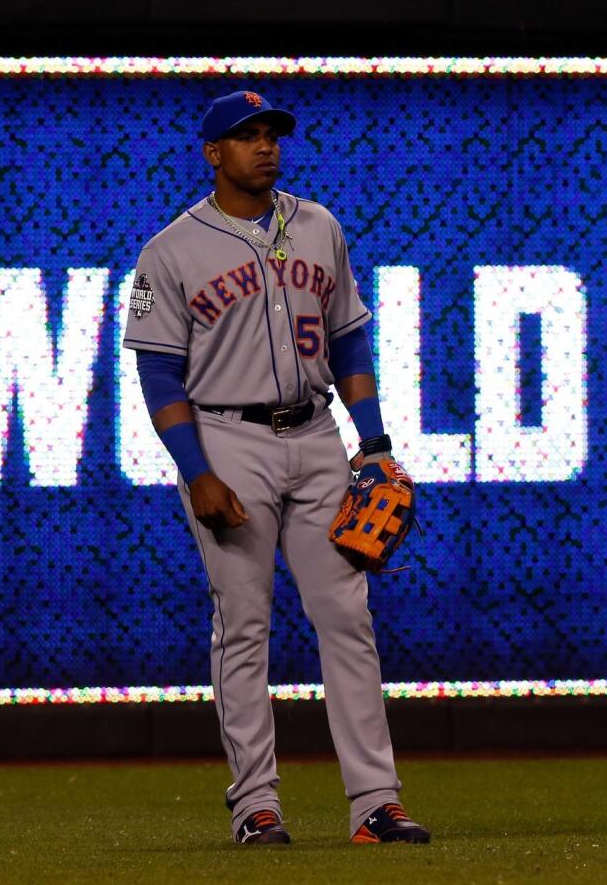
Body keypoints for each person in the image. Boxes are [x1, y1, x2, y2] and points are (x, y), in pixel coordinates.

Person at [123, 90, 430, 846]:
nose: (265, 147)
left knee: (347, 618)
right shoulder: (171, 250)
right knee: (244, 627)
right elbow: (161, 376)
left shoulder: (319, 226)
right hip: (228, 438)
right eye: (246, 137)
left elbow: (348, 341)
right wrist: (196, 469)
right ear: (212, 153)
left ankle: (375, 804)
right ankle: (257, 804)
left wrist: (377, 441)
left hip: (318, 434)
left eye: (271, 135)